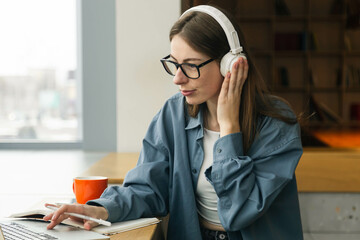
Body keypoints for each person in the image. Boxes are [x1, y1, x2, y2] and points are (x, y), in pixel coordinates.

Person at [44, 5, 304, 240]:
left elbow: (238, 212)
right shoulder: (173, 113)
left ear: (230, 65)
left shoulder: (277, 124)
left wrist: (229, 129)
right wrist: (97, 209)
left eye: (191, 66)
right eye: (174, 64)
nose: (177, 79)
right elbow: (147, 188)